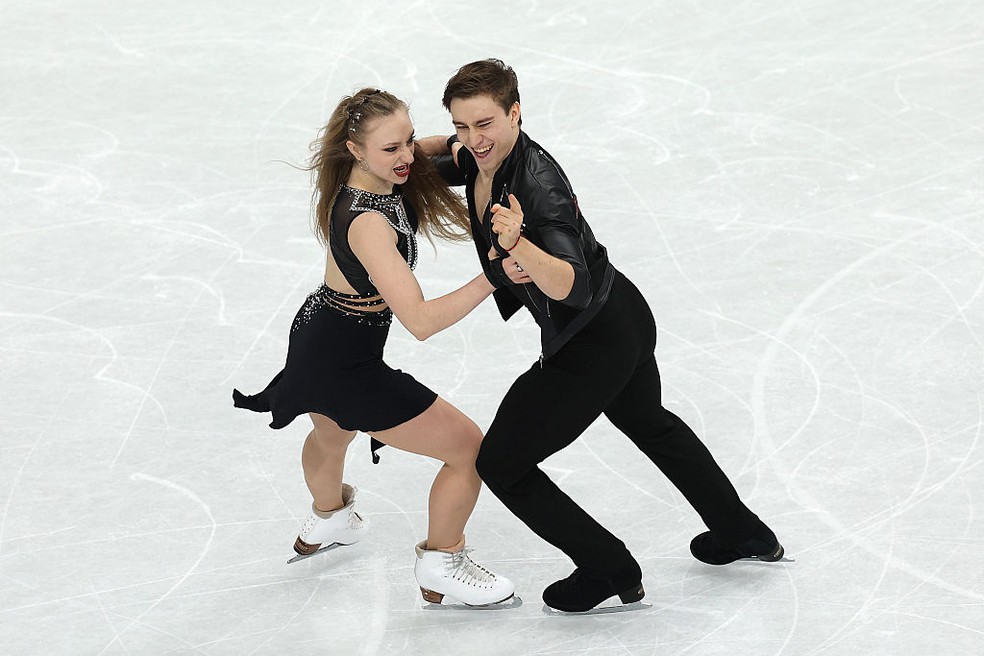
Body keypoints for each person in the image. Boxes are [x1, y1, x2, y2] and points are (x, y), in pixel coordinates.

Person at [423, 59, 784, 613]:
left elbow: (571, 286)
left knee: (502, 462)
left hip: (594, 336)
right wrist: (395, 149)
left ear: (515, 113)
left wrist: (518, 243)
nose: (473, 140)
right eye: (463, 126)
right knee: (649, 423)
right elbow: (438, 151)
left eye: (485, 124)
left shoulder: (538, 187)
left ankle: (607, 566)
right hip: (625, 317)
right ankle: (742, 531)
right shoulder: (479, 150)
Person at [232, 87, 514, 607]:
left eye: (407, 141)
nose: (407, 156)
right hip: (344, 359)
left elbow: (427, 145)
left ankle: (327, 519)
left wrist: (456, 145)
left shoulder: (370, 173)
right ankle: (442, 561)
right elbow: (422, 321)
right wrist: (493, 276)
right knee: (469, 449)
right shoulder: (367, 223)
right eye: (392, 149)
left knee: (331, 433)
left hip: (322, 333)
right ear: (355, 150)